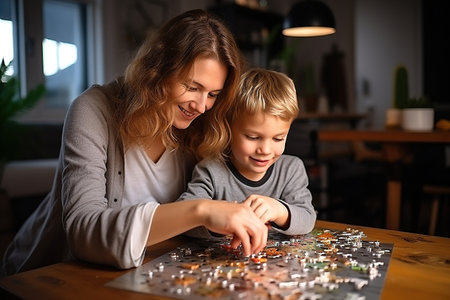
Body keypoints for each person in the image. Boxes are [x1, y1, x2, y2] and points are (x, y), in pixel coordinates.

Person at [0, 9, 269, 276]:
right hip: (47, 274)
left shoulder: (201, 125)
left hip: (142, 274)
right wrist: (201, 210)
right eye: (192, 87)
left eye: (213, 94)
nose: (201, 106)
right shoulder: (92, 109)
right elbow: (82, 231)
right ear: (159, 68)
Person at [178, 68, 316, 239]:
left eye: (278, 139)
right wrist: (218, 222)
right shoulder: (211, 170)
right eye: (253, 137)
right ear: (229, 130)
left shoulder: (291, 169)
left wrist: (279, 210)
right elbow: (183, 218)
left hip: (276, 264)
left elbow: (308, 218)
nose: (265, 150)